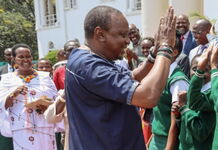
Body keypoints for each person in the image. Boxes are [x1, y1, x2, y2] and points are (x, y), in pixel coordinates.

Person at [65, 6, 177, 150]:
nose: (127, 41)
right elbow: (148, 96)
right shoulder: (90, 66)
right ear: (100, 34)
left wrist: (153, 56)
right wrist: (166, 48)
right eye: (122, 35)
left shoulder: (87, 58)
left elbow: (129, 77)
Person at [0, 43, 59, 150]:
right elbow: (2, 105)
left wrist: (45, 106)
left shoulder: (45, 77)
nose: (25, 60)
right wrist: (14, 93)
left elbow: (55, 101)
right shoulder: (7, 79)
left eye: (28, 56)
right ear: (14, 59)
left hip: (44, 126)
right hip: (20, 128)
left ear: (32, 58)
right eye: (21, 57)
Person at [149, 33, 189, 150]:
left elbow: (176, 121)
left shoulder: (178, 80)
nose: (155, 50)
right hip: (157, 138)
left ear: (175, 52)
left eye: (160, 47)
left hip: (168, 142)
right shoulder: (161, 75)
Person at [174, 47, 215, 150]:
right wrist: (178, 115)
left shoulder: (211, 96)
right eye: (195, 69)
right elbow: (185, 127)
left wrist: (184, 108)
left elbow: (200, 132)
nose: (199, 74)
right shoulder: (188, 93)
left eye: (205, 70)